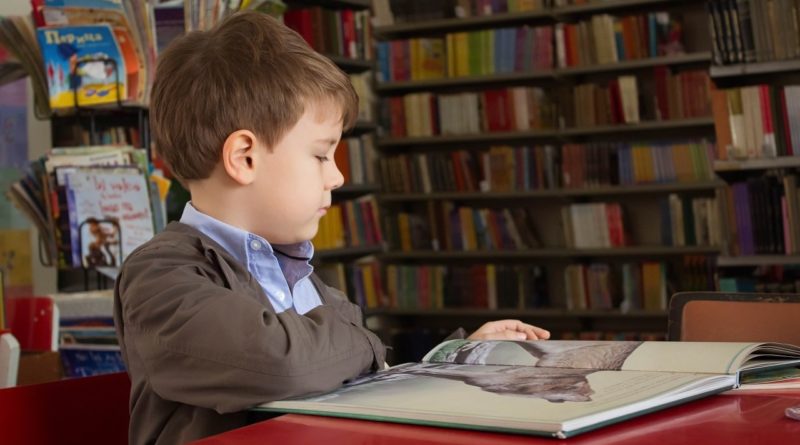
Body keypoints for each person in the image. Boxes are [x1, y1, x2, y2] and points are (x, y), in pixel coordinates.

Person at [112, 11, 550, 445]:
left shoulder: (298, 272)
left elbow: (350, 377)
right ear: (244, 157)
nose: (337, 177)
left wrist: (452, 359)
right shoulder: (159, 277)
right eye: (321, 155)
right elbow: (285, 365)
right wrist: (364, 342)